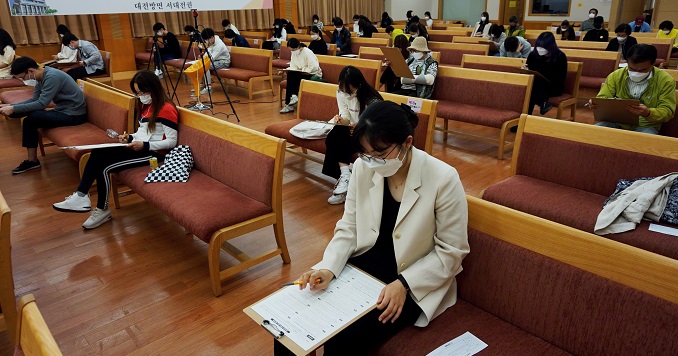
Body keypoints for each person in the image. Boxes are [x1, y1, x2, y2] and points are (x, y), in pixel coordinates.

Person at [273, 100, 469, 355]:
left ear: (407, 143)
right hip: (363, 268)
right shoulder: (363, 168)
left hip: (410, 279)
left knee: (344, 338)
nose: (372, 162)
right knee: (287, 323)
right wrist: (328, 267)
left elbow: (451, 251)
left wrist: (404, 284)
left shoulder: (443, 178)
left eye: (380, 154)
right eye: (366, 154)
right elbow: (349, 227)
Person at [53, 70, 179, 229]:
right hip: (141, 147)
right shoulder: (147, 105)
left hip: (154, 154)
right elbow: (144, 133)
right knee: (98, 152)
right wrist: (130, 137)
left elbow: (171, 142)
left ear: (153, 88)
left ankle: (101, 209)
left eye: (143, 92)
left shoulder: (166, 109)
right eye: (138, 93)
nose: (141, 96)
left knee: (104, 168)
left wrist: (144, 145)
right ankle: (81, 195)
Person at [0, 57, 87, 174]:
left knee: (32, 117)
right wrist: (11, 105)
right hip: (62, 111)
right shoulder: (42, 76)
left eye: (22, 77)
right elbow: (34, 99)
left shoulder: (52, 77)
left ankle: (32, 161)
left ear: (30, 71)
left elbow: (41, 104)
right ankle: (32, 161)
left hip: (74, 115)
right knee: (28, 118)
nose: (23, 80)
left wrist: (14, 108)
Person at [323, 66, 383, 205]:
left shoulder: (372, 100)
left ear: (359, 86)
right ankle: (345, 175)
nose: (346, 94)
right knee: (336, 133)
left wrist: (360, 127)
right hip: (351, 132)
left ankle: (344, 179)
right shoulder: (341, 93)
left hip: (369, 135)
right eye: (343, 90)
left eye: (349, 91)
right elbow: (346, 115)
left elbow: (377, 126)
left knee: (337, 139)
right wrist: (341, 120)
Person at [590, 44, 676, 135]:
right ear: (627, 62)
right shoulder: (616, 76)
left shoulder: (665, 81)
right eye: (632, 68)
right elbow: (603, 97)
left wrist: (648, 113)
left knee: (646, 144)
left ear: (653, 63)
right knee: (593, 134)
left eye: (643, 70)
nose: (636, 73)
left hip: (646, 125)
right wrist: (597, 104)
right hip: (616, 122)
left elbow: (667, 111)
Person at [525, 32, 567, 115]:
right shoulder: (533, 55)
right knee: (531, 87)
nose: (540, 49)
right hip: (536, 84)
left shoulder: (560, 56)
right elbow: (529, 68)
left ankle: (525, 117)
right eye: (538, 46)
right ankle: (543, 103)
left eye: (543, 47)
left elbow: (560, 77)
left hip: (553, 86)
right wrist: (525, 69)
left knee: (531, 90)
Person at [280, 39, 322, 113]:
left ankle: (290, 101)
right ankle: (292, 98)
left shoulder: (307, 52)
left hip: (312, 73)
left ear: (298, 46)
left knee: (294, 76)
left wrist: (302, 69)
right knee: (290, 74)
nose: (292, 51)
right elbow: (293, 65)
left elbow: (314, 67)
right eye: (291, 50)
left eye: (293, 49)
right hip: (300, 73)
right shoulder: (294, 53)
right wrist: (285, 69)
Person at [195, 28, 230, 94]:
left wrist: (203, 60)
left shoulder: (220, 45)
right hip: (216, 61)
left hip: (223, 62)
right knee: (200, 64)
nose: (206, 41)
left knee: (206, 65)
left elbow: (212, 58)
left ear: (212, 37)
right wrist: (202, 57)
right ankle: (203, 84)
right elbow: (208, 53)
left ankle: (209, 87)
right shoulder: (212, 42)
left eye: (207, 40)